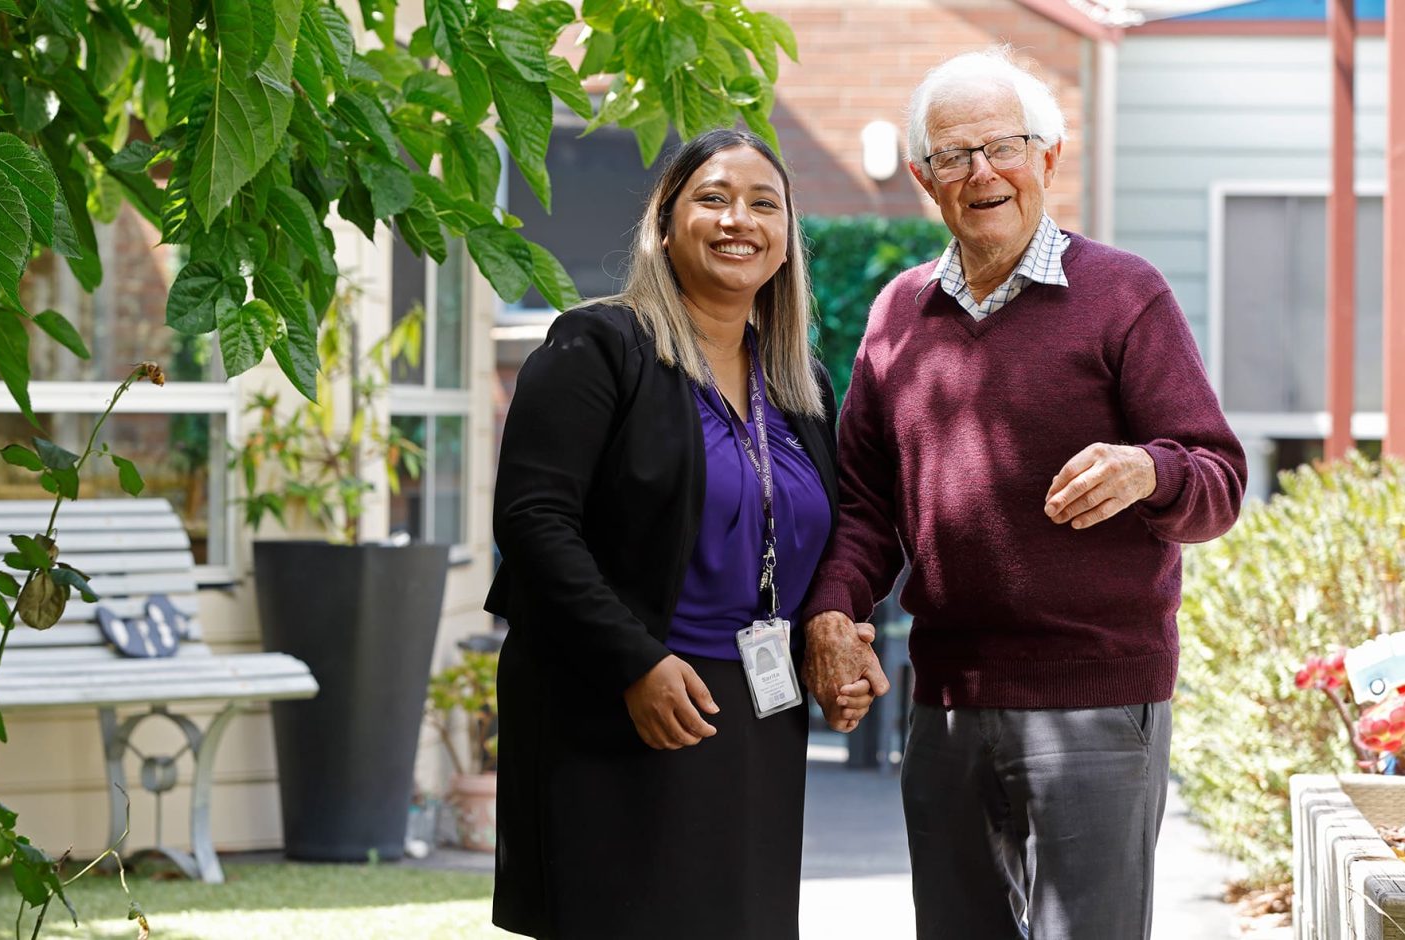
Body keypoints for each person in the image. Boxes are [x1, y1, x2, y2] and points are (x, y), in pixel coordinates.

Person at [802, 47, 1248, 940]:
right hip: (947, 698)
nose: (982, 173)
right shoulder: (897, 315)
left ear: (1045, 157)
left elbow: (1218, 480)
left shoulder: (1125, 295)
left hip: (1093, 695)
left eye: (1002, 147)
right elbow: (861, 505)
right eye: (955, 156)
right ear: (926, 180)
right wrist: (829, 611)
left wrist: (1148, 470)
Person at [485, 128, 873, 939]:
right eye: (713, 198)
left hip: (757, 708)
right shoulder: (596, 347)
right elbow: (533, 521)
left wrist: (832, 634)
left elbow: (822, 533)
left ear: (785, 237)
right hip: (621, 702)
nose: (740, 220)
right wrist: (635, 663)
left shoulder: (799, 384)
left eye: (764, 204)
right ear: (663, 225)